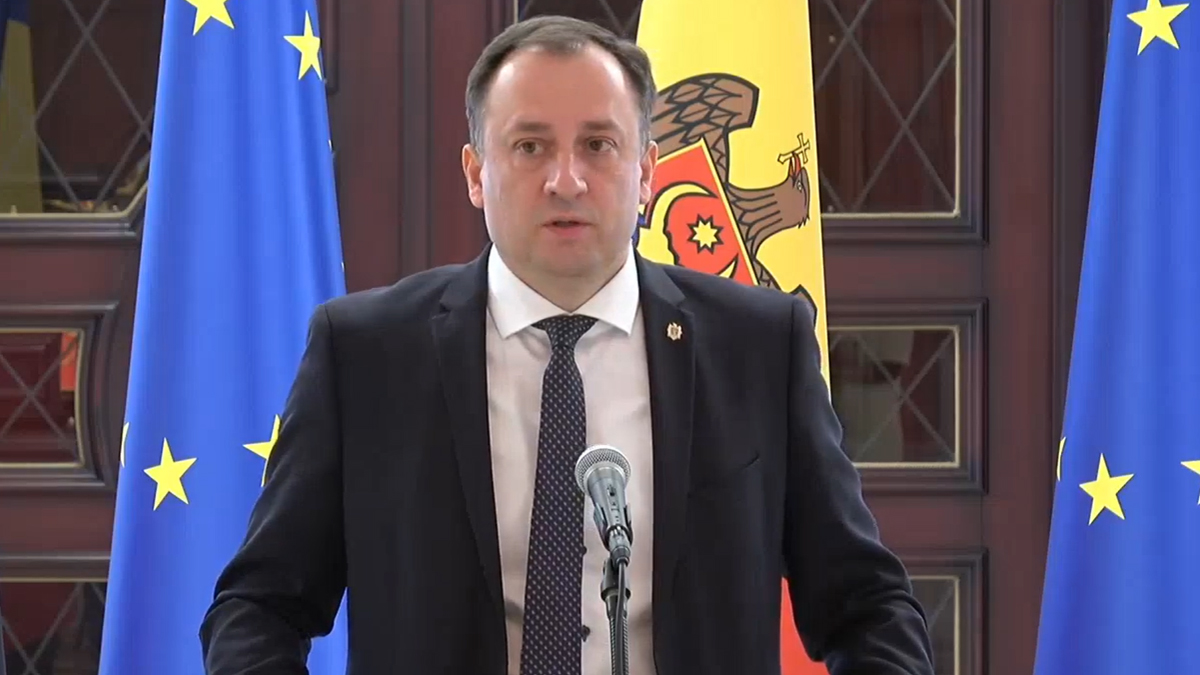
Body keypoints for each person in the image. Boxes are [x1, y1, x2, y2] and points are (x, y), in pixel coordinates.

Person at [199, 14, 935, 675]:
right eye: (529, 146)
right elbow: (258, 608)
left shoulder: (757, 347)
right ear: (475, 173)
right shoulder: (367, 355)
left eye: (598, 145)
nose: (566, 180)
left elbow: (870, 608)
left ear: (647, 172)